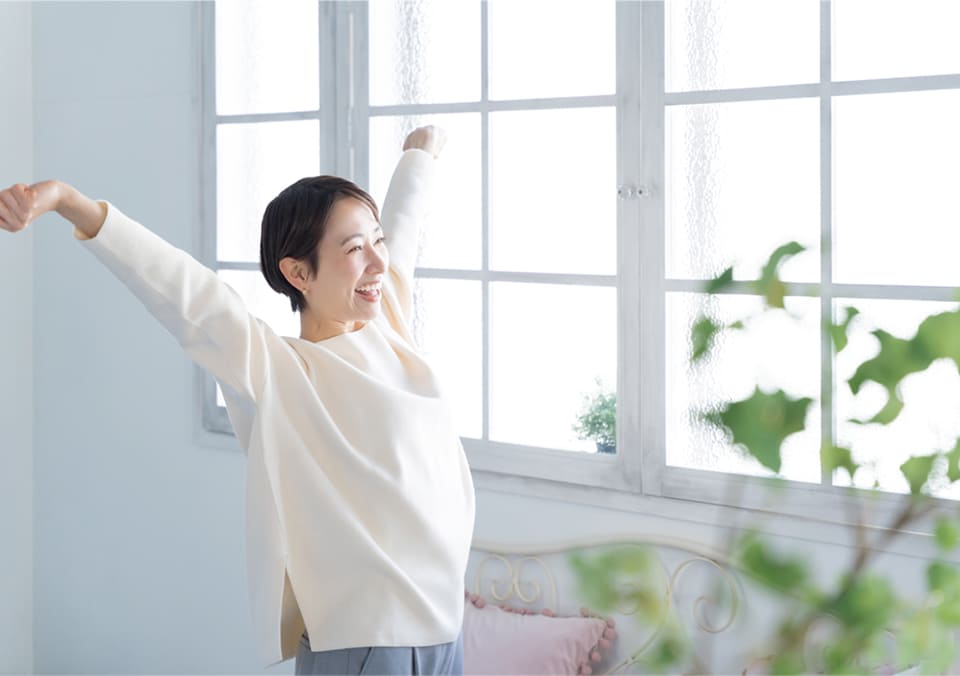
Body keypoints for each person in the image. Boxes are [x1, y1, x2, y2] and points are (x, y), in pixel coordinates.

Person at [0, 125, 476, 675]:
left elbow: (404, 228)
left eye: (376, 242)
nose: (375, 262)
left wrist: (419, 156)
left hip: (447, 633)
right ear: (298, 273)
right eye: (353, 248)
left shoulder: (385, 319)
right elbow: (186, 293)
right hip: (371, 644)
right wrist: (67, 201)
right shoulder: (281, 370)